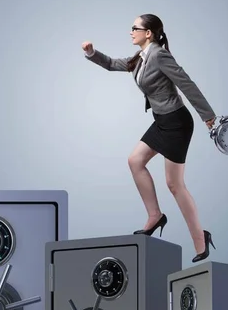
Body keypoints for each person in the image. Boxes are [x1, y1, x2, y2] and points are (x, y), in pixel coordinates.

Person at [82, 13, 216, 263]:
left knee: (174, 185)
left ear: (149, 34)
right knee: (135, 161)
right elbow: (112, 63)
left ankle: (200, 238)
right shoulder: (140, 57)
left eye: (135, 28)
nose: (130, 31)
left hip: (177, 123)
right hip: (162, 121)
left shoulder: (159, 55)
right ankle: (155, 216)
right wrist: (92, 53)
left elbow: (186, 84)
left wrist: (207, 115)